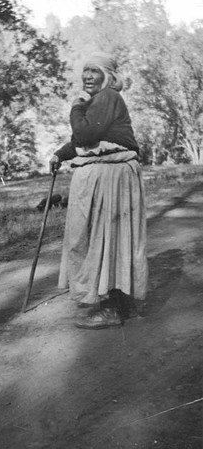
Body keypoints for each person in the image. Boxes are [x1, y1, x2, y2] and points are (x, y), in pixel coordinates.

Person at [49, 52, 148, 329]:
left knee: (101, 239)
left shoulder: (107, 98)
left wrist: (75, 107)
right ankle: (121, 305)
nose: (87, 76)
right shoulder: (100, 102)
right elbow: (85, 140)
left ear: (107, 75)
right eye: (85, 71)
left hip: (110, 178)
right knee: (111, 238)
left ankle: (111, 309)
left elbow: (85, 135)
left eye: (94, 71)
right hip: (112, 178)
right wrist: (60, 154)